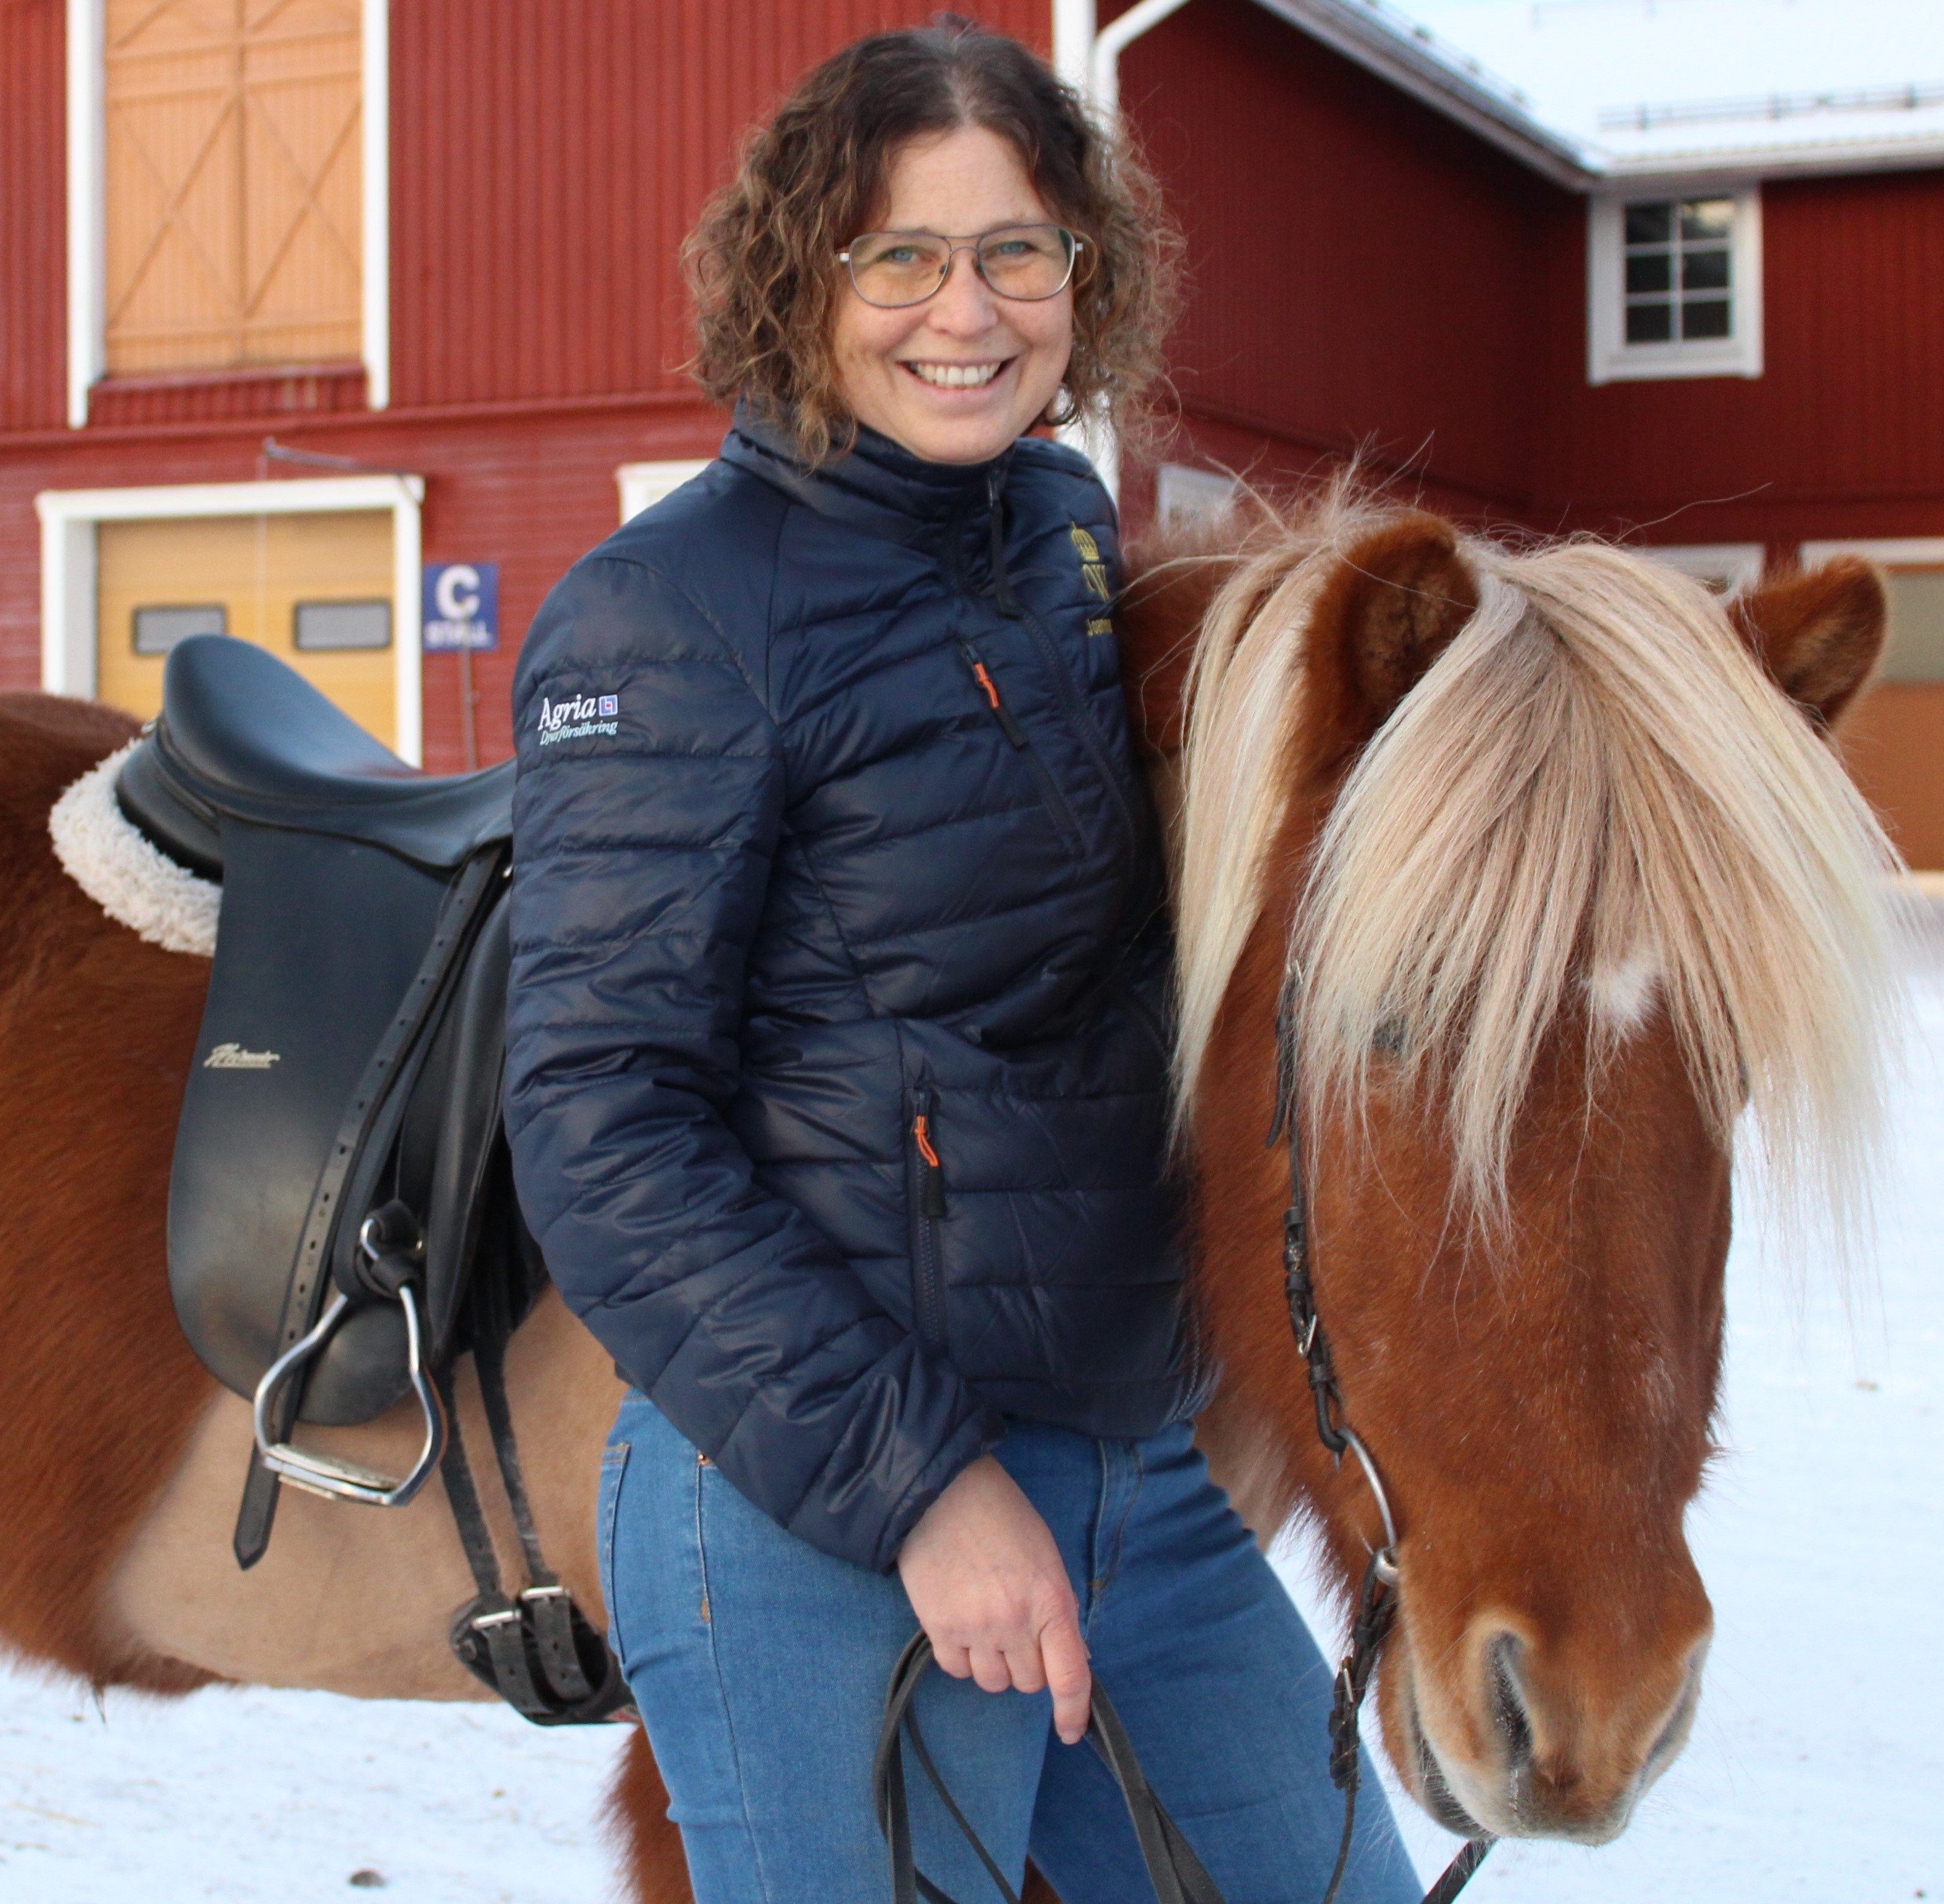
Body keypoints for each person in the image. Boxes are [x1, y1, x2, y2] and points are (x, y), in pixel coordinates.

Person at [502, 21, 1420, 1903]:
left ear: (1091, 279)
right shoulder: (668, 607)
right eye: (900, 256)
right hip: (815, 1512)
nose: (967, 311)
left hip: (1129, 1473)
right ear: (801, 279)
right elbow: (599, 1121)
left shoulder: (1065, 539)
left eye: (1021, 253)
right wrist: (924, 1489)